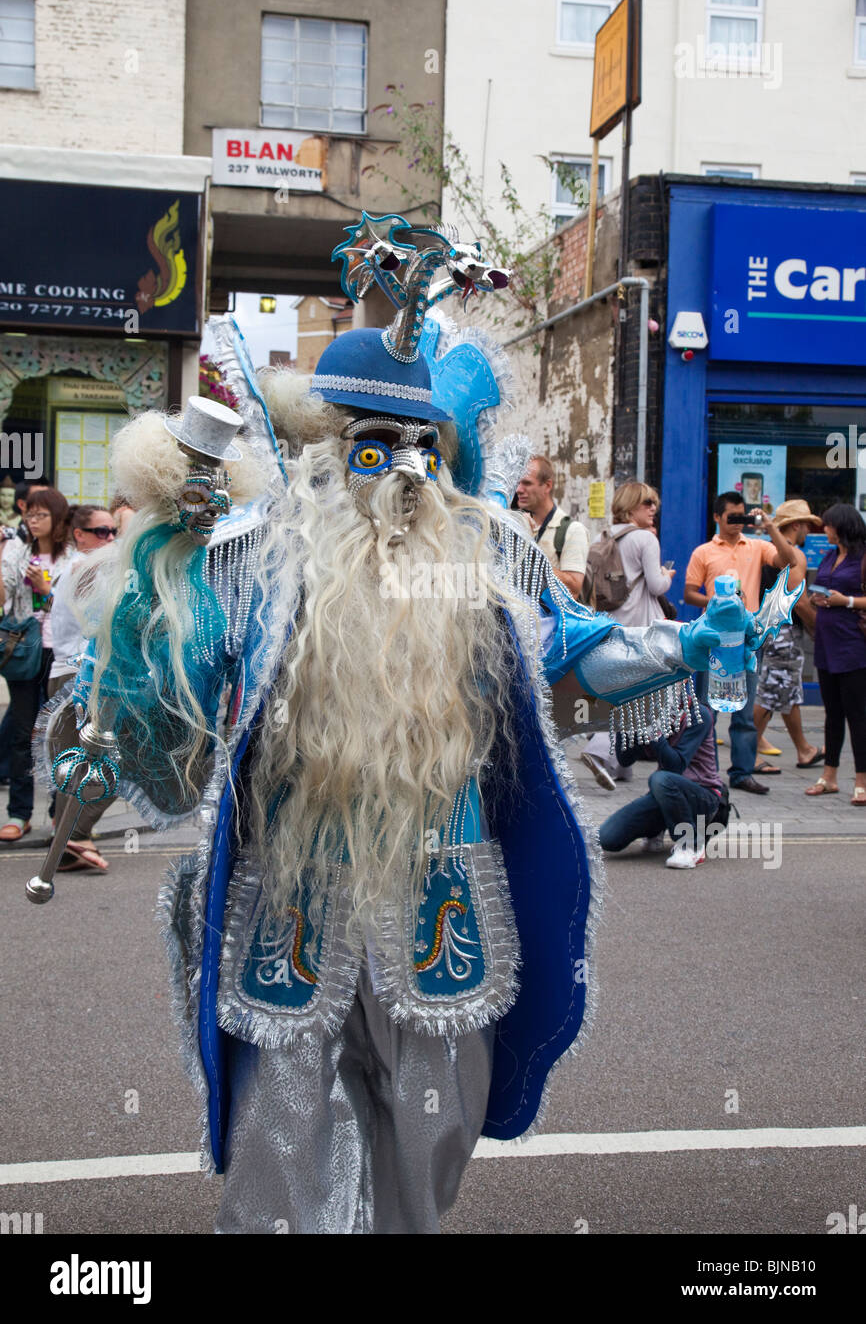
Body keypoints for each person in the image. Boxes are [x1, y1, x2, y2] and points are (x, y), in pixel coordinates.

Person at [40, 218, 733, 1234]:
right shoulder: (256, 561)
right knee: (279, 1140)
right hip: (294, 898)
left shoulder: (489, 566)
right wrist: (154, 599)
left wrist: (685, 647)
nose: (405, 470)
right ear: (329, 450)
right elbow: (163, 709)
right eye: (377, 443)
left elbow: (575, 665)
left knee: (428, 1141)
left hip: (438, 899)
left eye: (423, 447)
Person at [684, 492, 797, 796]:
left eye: (742, 516)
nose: (737, 523)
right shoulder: (703, 552)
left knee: (744, 710)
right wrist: (719, 603)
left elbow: (789, 560)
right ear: (717, 517)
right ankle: (704, 772)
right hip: (714, 640)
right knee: (708, 709)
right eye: (731, 517)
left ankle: (742, 772)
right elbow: (689, 593)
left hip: (747, 638)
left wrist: (770, 526)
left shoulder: (757, 546)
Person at [578, 481, 675, 790]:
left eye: (654, 503)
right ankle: (599, 750)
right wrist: (667, 575)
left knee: (623, 689)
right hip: (640, 627)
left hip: (611, 623)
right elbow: (657, 586)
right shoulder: (646, 538)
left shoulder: (603, 536)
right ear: (632, 506)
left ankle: (621, 766)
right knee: (636, 693)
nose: (653, 509)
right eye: (648, 503)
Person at [46, 506, 119, 871]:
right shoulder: (86, 567)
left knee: (75, 764)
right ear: (79, 534)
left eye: (113, 532)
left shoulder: (77, 565)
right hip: (79, 677)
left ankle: (66, 843)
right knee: (115, 759)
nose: (110, 539)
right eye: (102, 531)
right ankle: (76, 833)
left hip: (73, 674)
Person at [0, 486, 75, 842]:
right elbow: (3, 597)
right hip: (24, 651)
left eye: (40, 515)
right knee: (21, 734)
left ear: (57, 518)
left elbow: (77, 605)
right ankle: (19, 813)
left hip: (60, 656)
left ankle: (59, 814)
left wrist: (47, 591)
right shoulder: (17, 550)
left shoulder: (72, 557)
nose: (32, 521)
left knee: (59, 736)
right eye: (29, 514)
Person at [598, 703, 724, 868]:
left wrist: (652, 730)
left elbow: (676, 766)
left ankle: (691, 845)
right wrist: (625, 723)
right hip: (665, 794)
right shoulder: (652, 710)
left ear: (683, 681)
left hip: (704, 796)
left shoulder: (698, 714)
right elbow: (625, 759)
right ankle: (656, 829)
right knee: (607, 838)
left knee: (660, 779)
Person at [752, 499, 823, 774]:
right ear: (796, 525)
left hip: (771, 629)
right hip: (784, 631)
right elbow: (800, 601)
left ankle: (804, 748)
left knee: (788, 691)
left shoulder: (770, 552)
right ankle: (749, 748)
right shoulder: (794, 555)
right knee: (771, 692)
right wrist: (818, 628)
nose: (808, 530)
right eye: (806, 524)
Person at [803, 503, 866, 807]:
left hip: (854, 645)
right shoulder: (830, 555)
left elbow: (852, 597)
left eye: (828, 525)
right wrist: (819, 598)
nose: (823, 529)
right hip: (827, 644)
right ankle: (829, 776)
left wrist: (848, 601)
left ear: (841, 526)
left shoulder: (863, 556)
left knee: (858, 715)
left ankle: (862, 780)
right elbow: (824, 587)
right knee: (833, 715)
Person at [516, 454, 589, 599]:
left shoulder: (572, 530)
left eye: (527, 483)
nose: (518, 489)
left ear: (547, 486)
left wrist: (527, 553)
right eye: (518, 483)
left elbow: (573, 589)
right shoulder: (519, 525)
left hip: (553, 620)